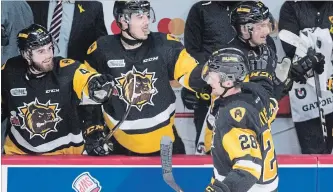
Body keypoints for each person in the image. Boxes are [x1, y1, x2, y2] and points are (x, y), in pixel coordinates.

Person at [82, 0, 207, 156]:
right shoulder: (101, 49)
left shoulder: (165, 45)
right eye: (140, 17)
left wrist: (207, 74)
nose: (147, 21)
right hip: (119, 145)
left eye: (148, 15)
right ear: (122, 20)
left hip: (165, 144)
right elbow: (87, 94)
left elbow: (190, 72)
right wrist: (93, 128)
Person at [200, 1, 327, 154]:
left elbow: (270, 91)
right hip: (225, 139)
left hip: (253, 134)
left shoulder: (266, 46)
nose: (266, 30)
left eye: (267, 24)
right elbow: (259, 106)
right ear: (244, 29)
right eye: (260, 26)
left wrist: (296, 71)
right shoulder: (229, 59)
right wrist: (287, 79)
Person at [1, 24, 114, 155]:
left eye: (50, 48)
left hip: (65, 155)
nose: (49, 55)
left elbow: (87, 79)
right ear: (26, 54)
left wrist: (97, 83)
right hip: (19, 154)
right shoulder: (9, 71)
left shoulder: (67, 70)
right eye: (41, 51)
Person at [203, 48, 278, 192]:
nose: (208, 80)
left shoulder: (233, 115)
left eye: (212, 76)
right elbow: (272, 106)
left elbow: (249, 168)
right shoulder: (255, 95)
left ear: (229, 82)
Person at [182, 1, 241, 149]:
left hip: (243, 93)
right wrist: (212, 77)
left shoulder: (251, 7)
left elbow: (262, 46)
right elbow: (191, 52)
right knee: (207, 148)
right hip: (209, 92)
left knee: (244, 149)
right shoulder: (200, 9)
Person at [279, 1, 333, 154]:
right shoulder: (291, 6)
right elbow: (290, 46)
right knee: (313, 149)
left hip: (330, 81)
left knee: (328, 147)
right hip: (303, 85)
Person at [28, 0, 108, 62]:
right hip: (38, 73)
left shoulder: (93, 7)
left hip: (73, 74)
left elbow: (101, 45)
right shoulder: (32, 4)